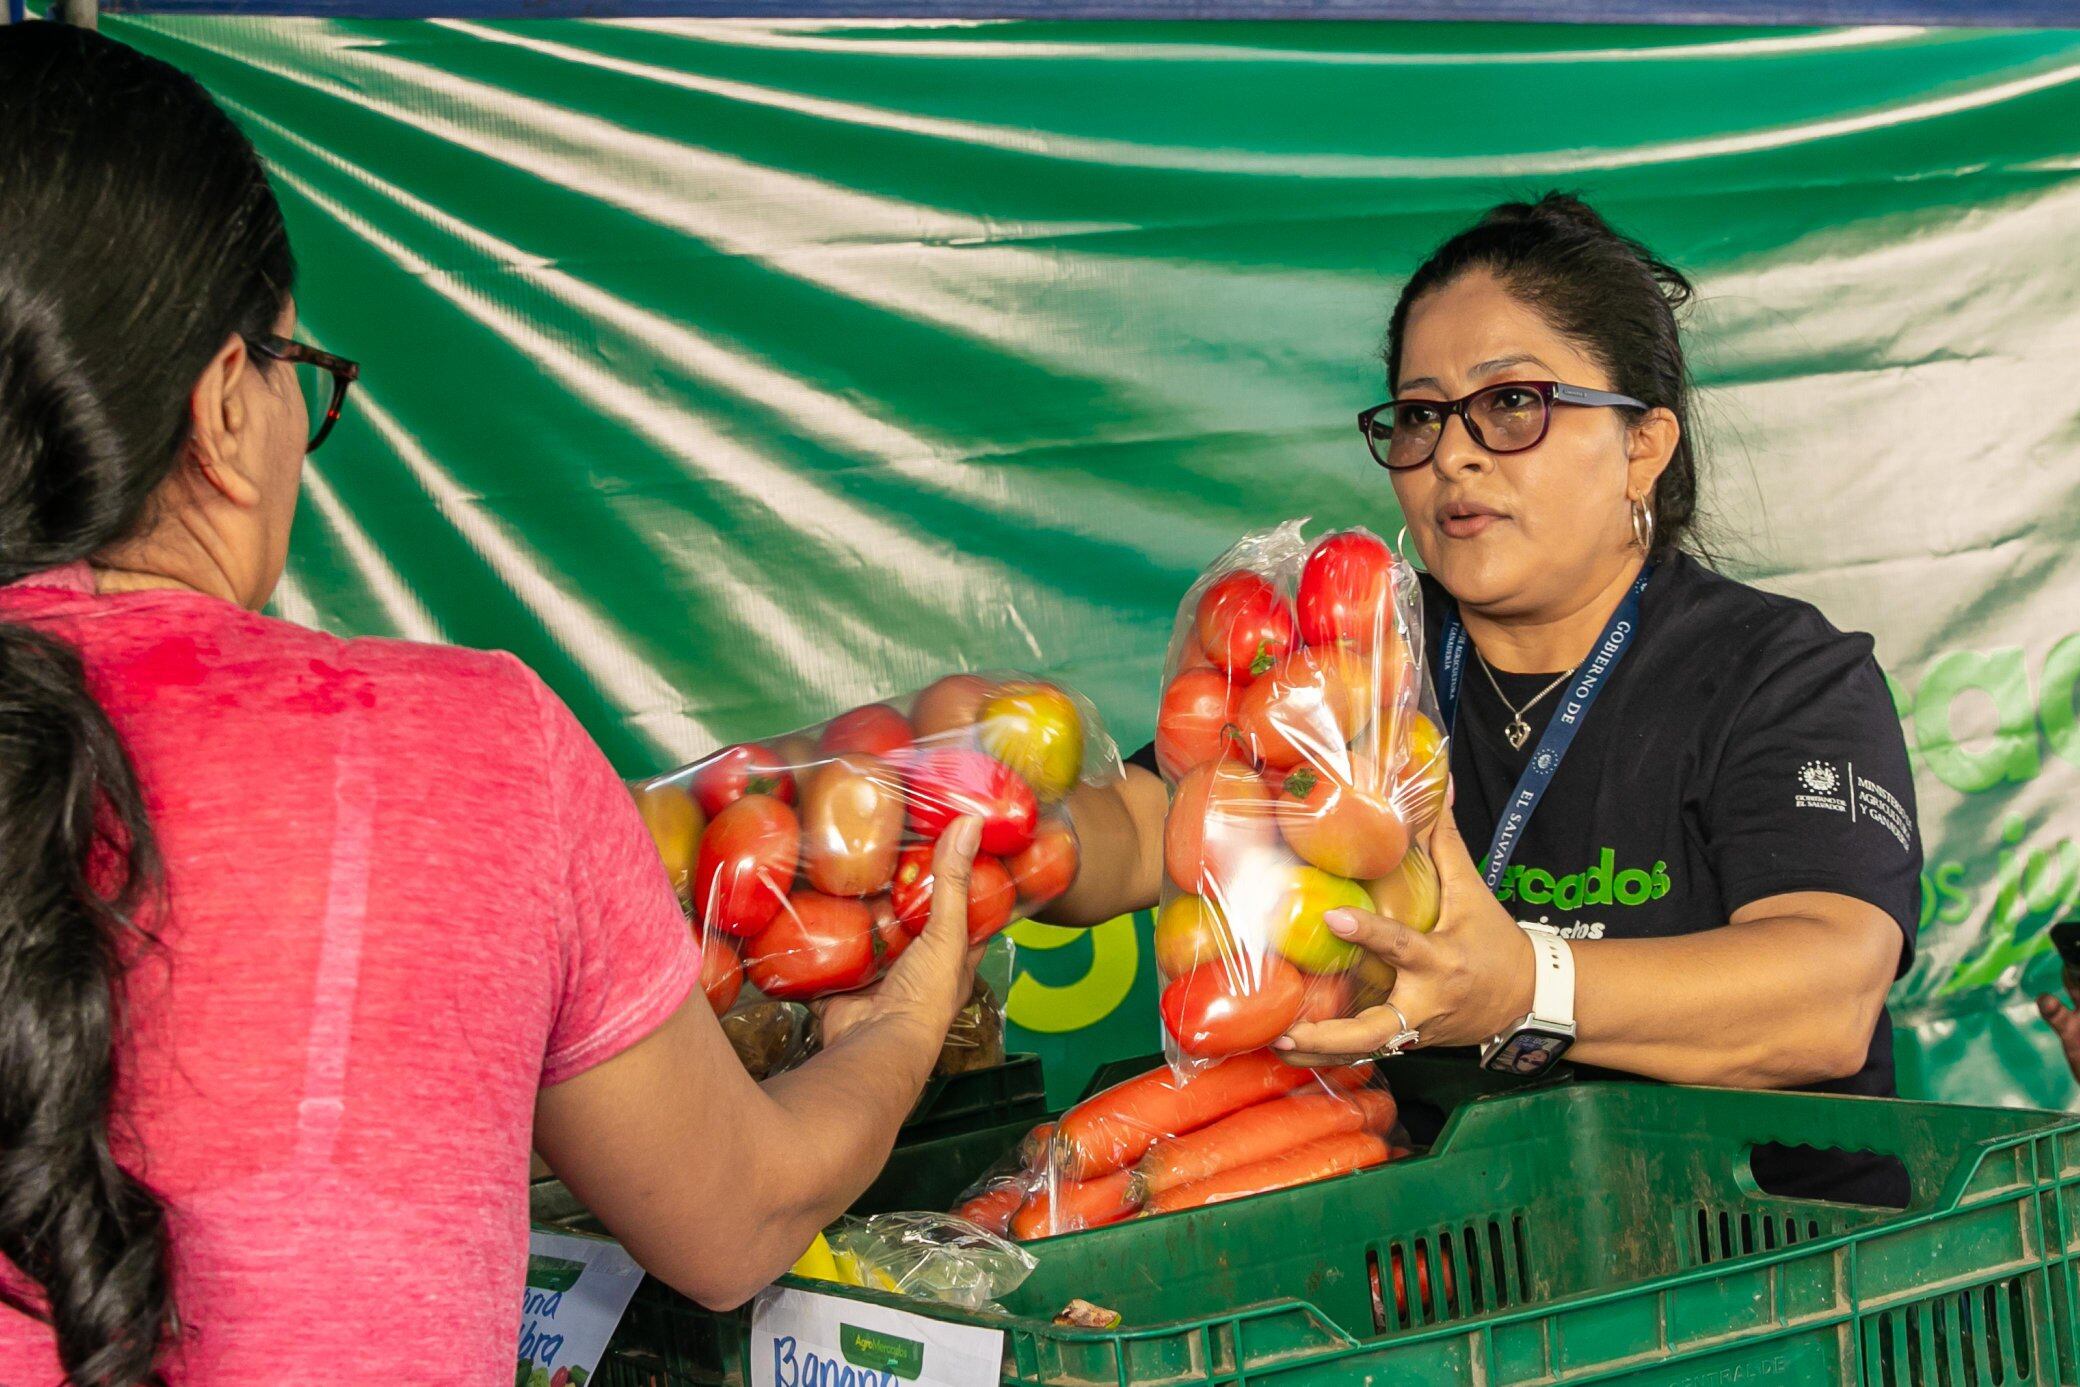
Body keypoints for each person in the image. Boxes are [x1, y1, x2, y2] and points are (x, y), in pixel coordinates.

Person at [0, 24, 981, 1387]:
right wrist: (893, 1034)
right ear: (226, 404)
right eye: (300, 373)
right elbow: (735, 1215)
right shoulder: (473, 753)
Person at [1059, 193, 1922, 1206]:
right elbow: (1147, 824)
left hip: (1767, 1274)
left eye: (1511, 402)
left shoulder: (1778, 673)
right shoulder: (1357, 658)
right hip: (1450, 1266)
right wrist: (989, 825)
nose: (1453, 454)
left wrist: (1525, 983)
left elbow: (1825, 997)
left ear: (1643, 445)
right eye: (1420, 415)